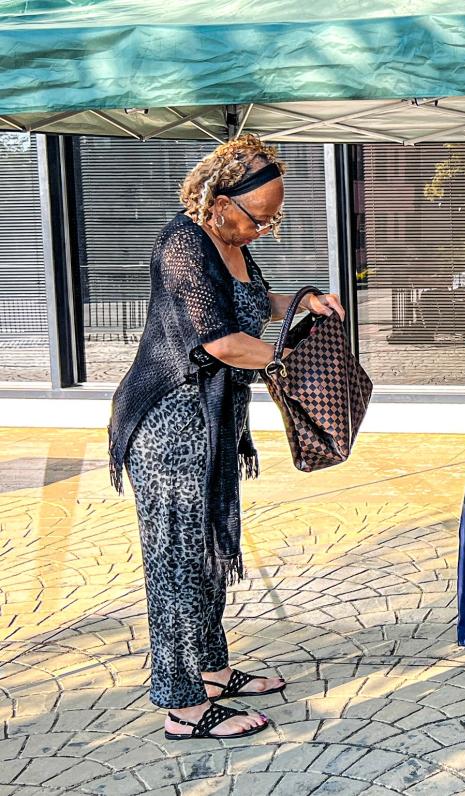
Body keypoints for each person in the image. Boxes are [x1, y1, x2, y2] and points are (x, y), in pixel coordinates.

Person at [107, 135, 345, 741]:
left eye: (273, 220)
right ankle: (182, 703)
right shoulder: (182, 244)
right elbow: (221, 341)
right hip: (168, 425)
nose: (263, 230)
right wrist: (285, 361)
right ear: (219, 198)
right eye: (257, 218)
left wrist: (302, 301)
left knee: (211, 550)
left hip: (213, 427)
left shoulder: (232, 244)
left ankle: (211, 671)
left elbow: (253, 303)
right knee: (177, 563)